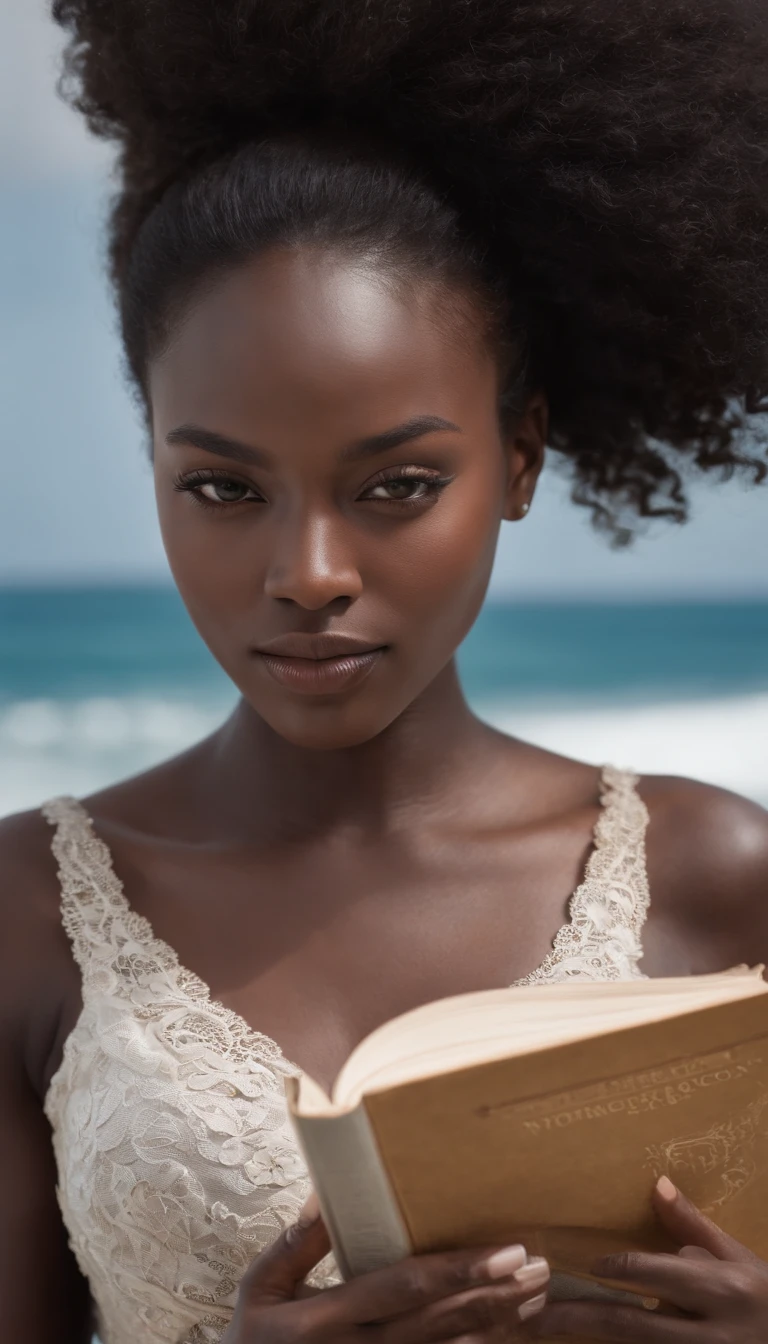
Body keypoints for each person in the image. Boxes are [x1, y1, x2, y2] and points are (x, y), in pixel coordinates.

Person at [2, 0, 768, 1340]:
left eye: (397, 485)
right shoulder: (24, 915)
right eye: (224, 487)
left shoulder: (725, 879)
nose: (308, 570)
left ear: (520, 457)